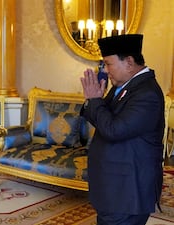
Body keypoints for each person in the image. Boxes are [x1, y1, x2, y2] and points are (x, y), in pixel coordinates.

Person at [80, 34, 164, 225]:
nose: (106, 71)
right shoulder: (124, 86)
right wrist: (94, 101)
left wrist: (95, 101)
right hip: (115, 188)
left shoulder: (146, 93)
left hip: (127, 192)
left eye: (108, 64)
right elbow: (102, 121)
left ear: (128, 62)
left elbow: (114, 130)